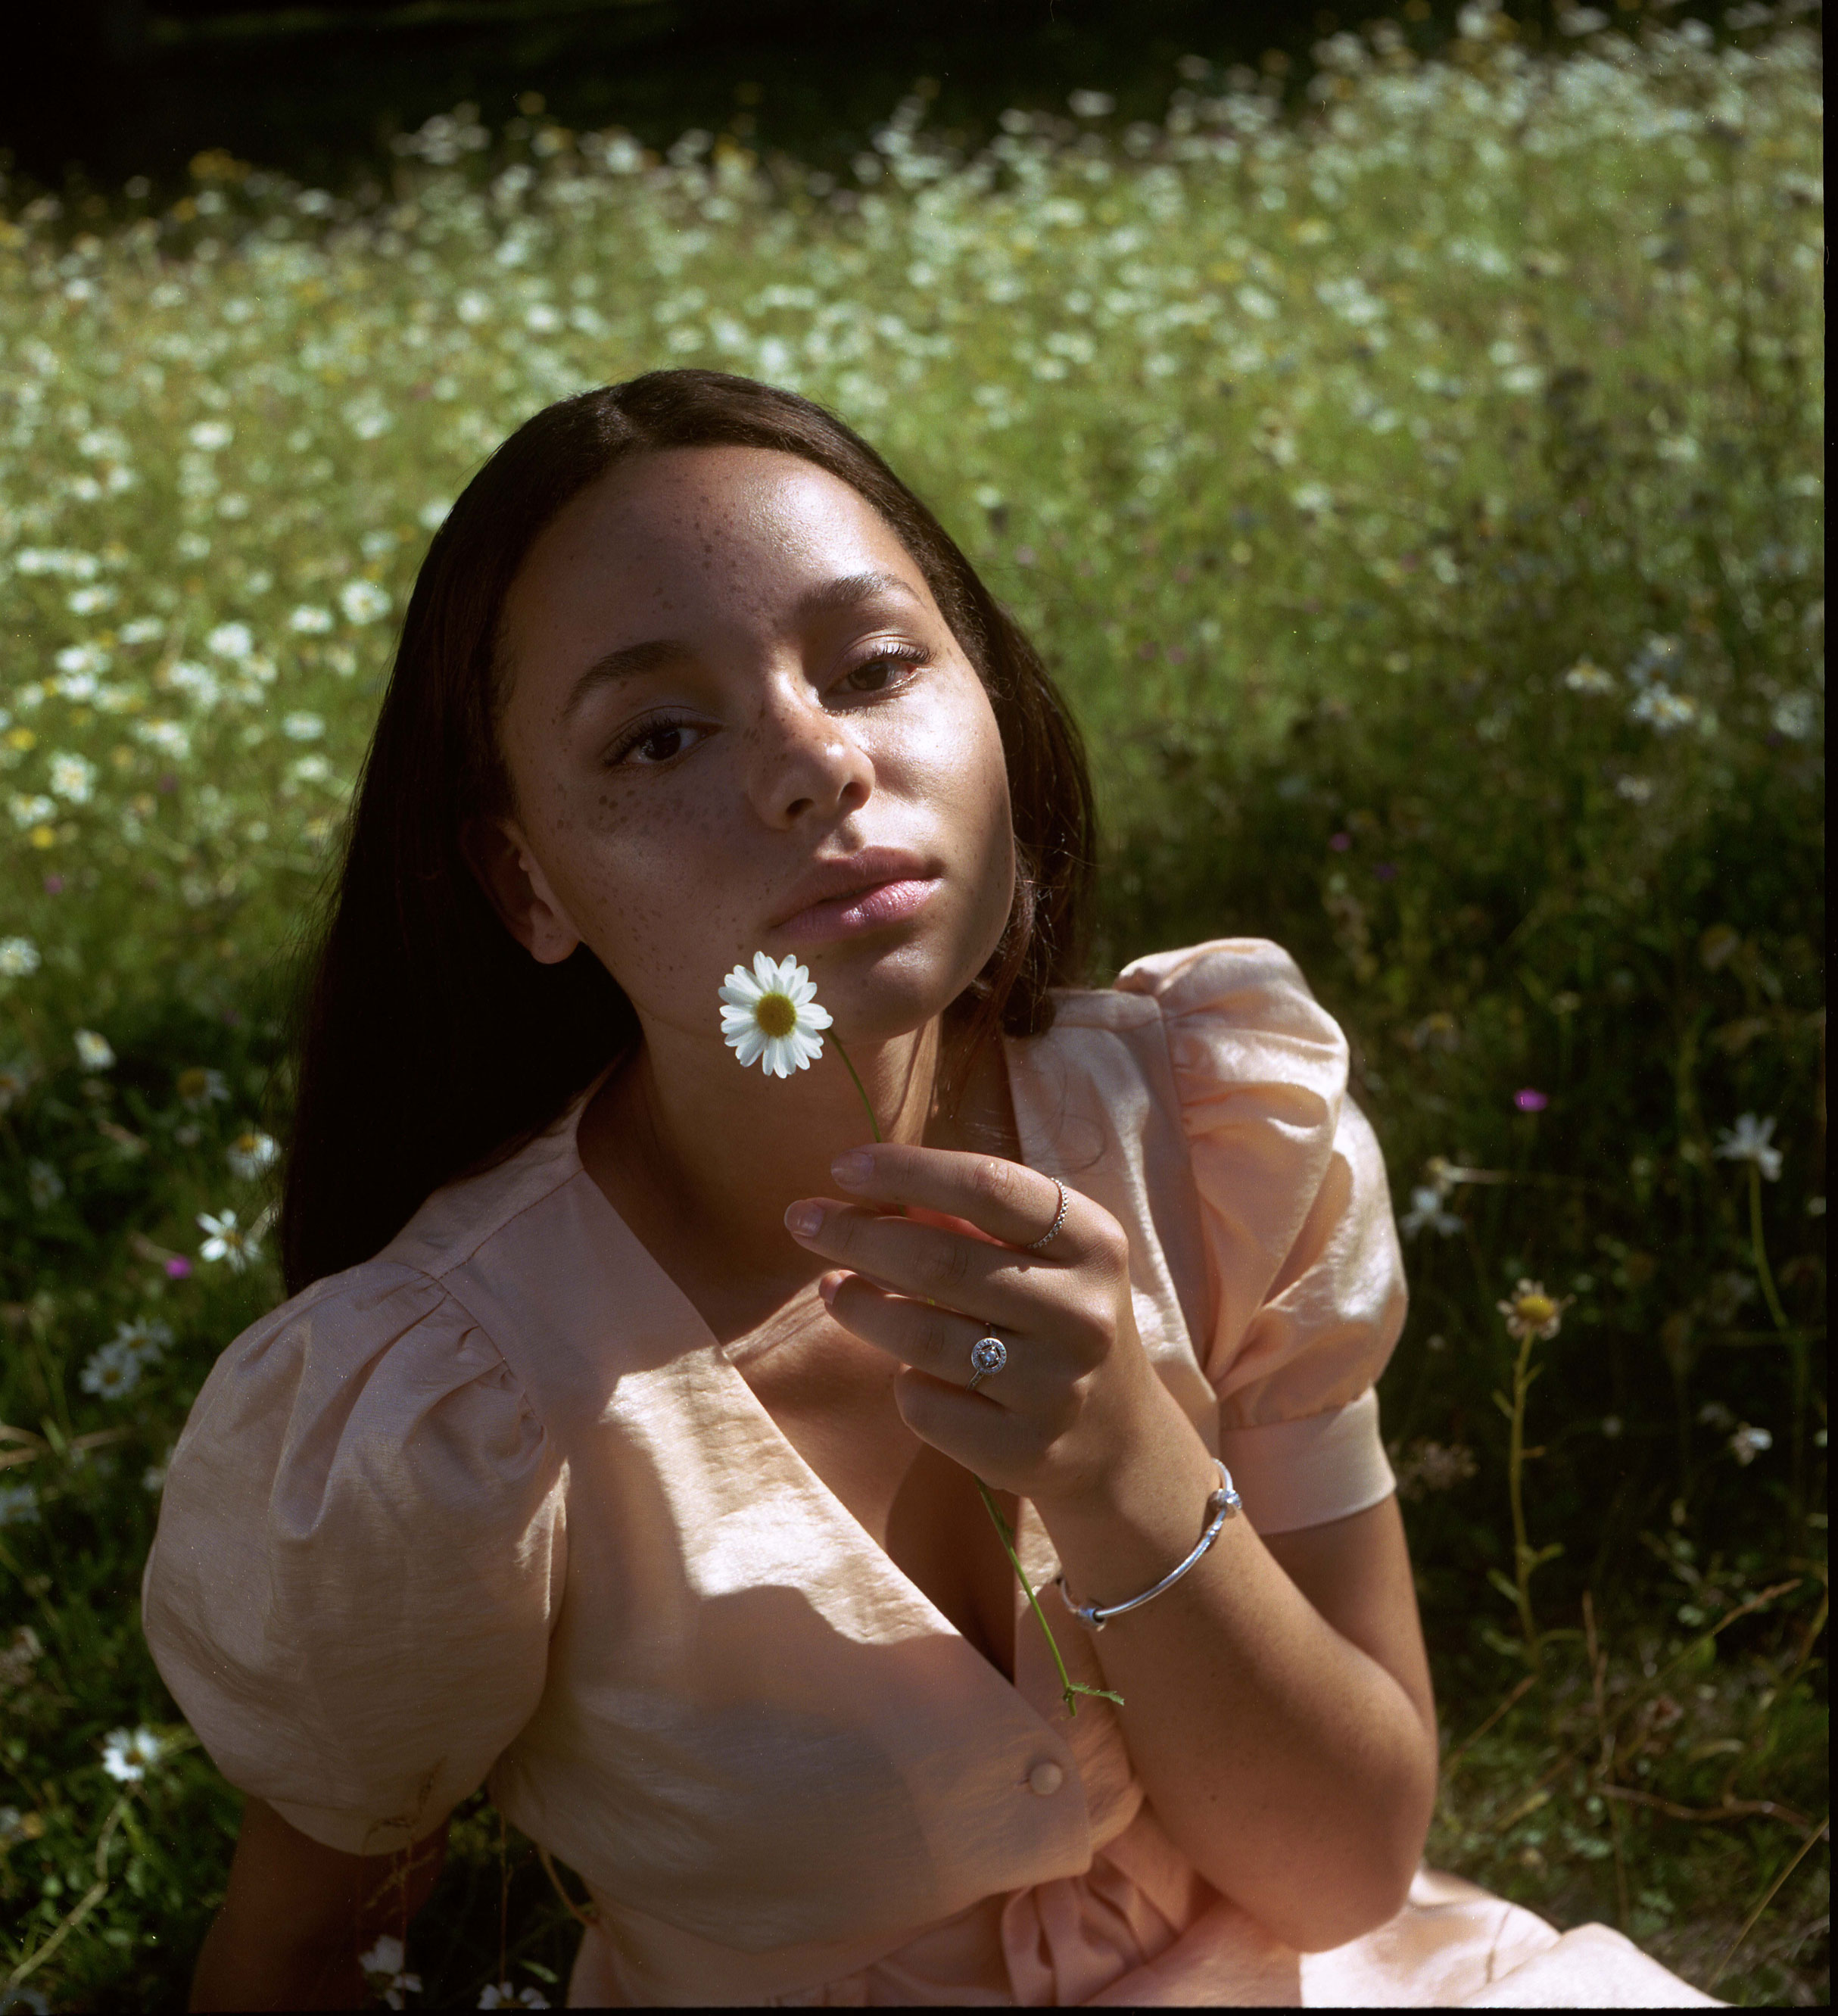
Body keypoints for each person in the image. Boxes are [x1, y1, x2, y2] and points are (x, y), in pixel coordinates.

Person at [142, 369, 1715, 2008]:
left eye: (877, 665)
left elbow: (1342, 1868)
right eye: (662, 735)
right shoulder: (452, 1412)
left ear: (991, 701)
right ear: (525, 879)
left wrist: (1124, 1470)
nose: (818, 763)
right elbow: (288, 1953)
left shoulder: (1220, 1137)